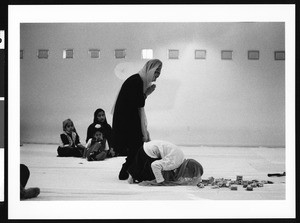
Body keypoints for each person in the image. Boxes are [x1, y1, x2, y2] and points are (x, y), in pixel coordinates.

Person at [111, 59, 163, 180]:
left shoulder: (138, 80)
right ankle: (127, 172)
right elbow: (137, 102)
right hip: (128, 122)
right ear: (150, 71)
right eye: (156, 74)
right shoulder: (137, 81)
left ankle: (129, 172)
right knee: (136, 148)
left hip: (129, 120)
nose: (156, 78)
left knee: (136, 148)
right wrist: (146, 93)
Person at [127, 140, 204, 186]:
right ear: (187, 169)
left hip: (148, 148)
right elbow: (155, 165)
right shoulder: (175, 162)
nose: (187, 177)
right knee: (151, 177)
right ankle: (133, 174)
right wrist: (161, 181)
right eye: (189, 175)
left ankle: (133, 173)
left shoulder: (181, 158)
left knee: (158, 172)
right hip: (149, 152)